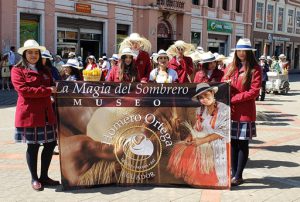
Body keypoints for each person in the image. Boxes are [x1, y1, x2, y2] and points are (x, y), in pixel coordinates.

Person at [11, 39, 60, 191]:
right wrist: (48, 91)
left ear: (40, 54)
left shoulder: (45, 70)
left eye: (36, 52)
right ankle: (34, 178)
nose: (33, 55)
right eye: (30, 52)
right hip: (30, 114)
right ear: (24, 54)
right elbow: (24, 91)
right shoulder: (17, 70)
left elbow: (55, 86)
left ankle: (44, 176)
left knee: (50, 144)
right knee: (32, 147)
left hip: (46, 113)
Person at [167, 83, 230, 187]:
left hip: (219, 142)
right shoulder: (200, 110)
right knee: (182, 147)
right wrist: (190, 137)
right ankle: (195, 179)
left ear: (213, 93)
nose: (204, 99)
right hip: (204, 140)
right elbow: (197, 127)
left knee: (196, 151)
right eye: (201, 97)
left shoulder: (224, 109)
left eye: (206, 95)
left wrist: (202, 141)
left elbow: (223, 132)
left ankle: (211, 180)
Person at [222, 38, 262, 186]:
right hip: (231, 112)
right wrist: (225, 86)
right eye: (239, 50)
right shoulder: (231, 67)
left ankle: (238, 175)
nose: (241, 53)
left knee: (242, 144)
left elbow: (254, 92)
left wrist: (234, 98)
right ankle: (233, 173)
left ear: (249, 52)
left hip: (245, 112)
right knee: (233, 143)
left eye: (244, 51)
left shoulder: (255, 68)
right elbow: (223, 82)